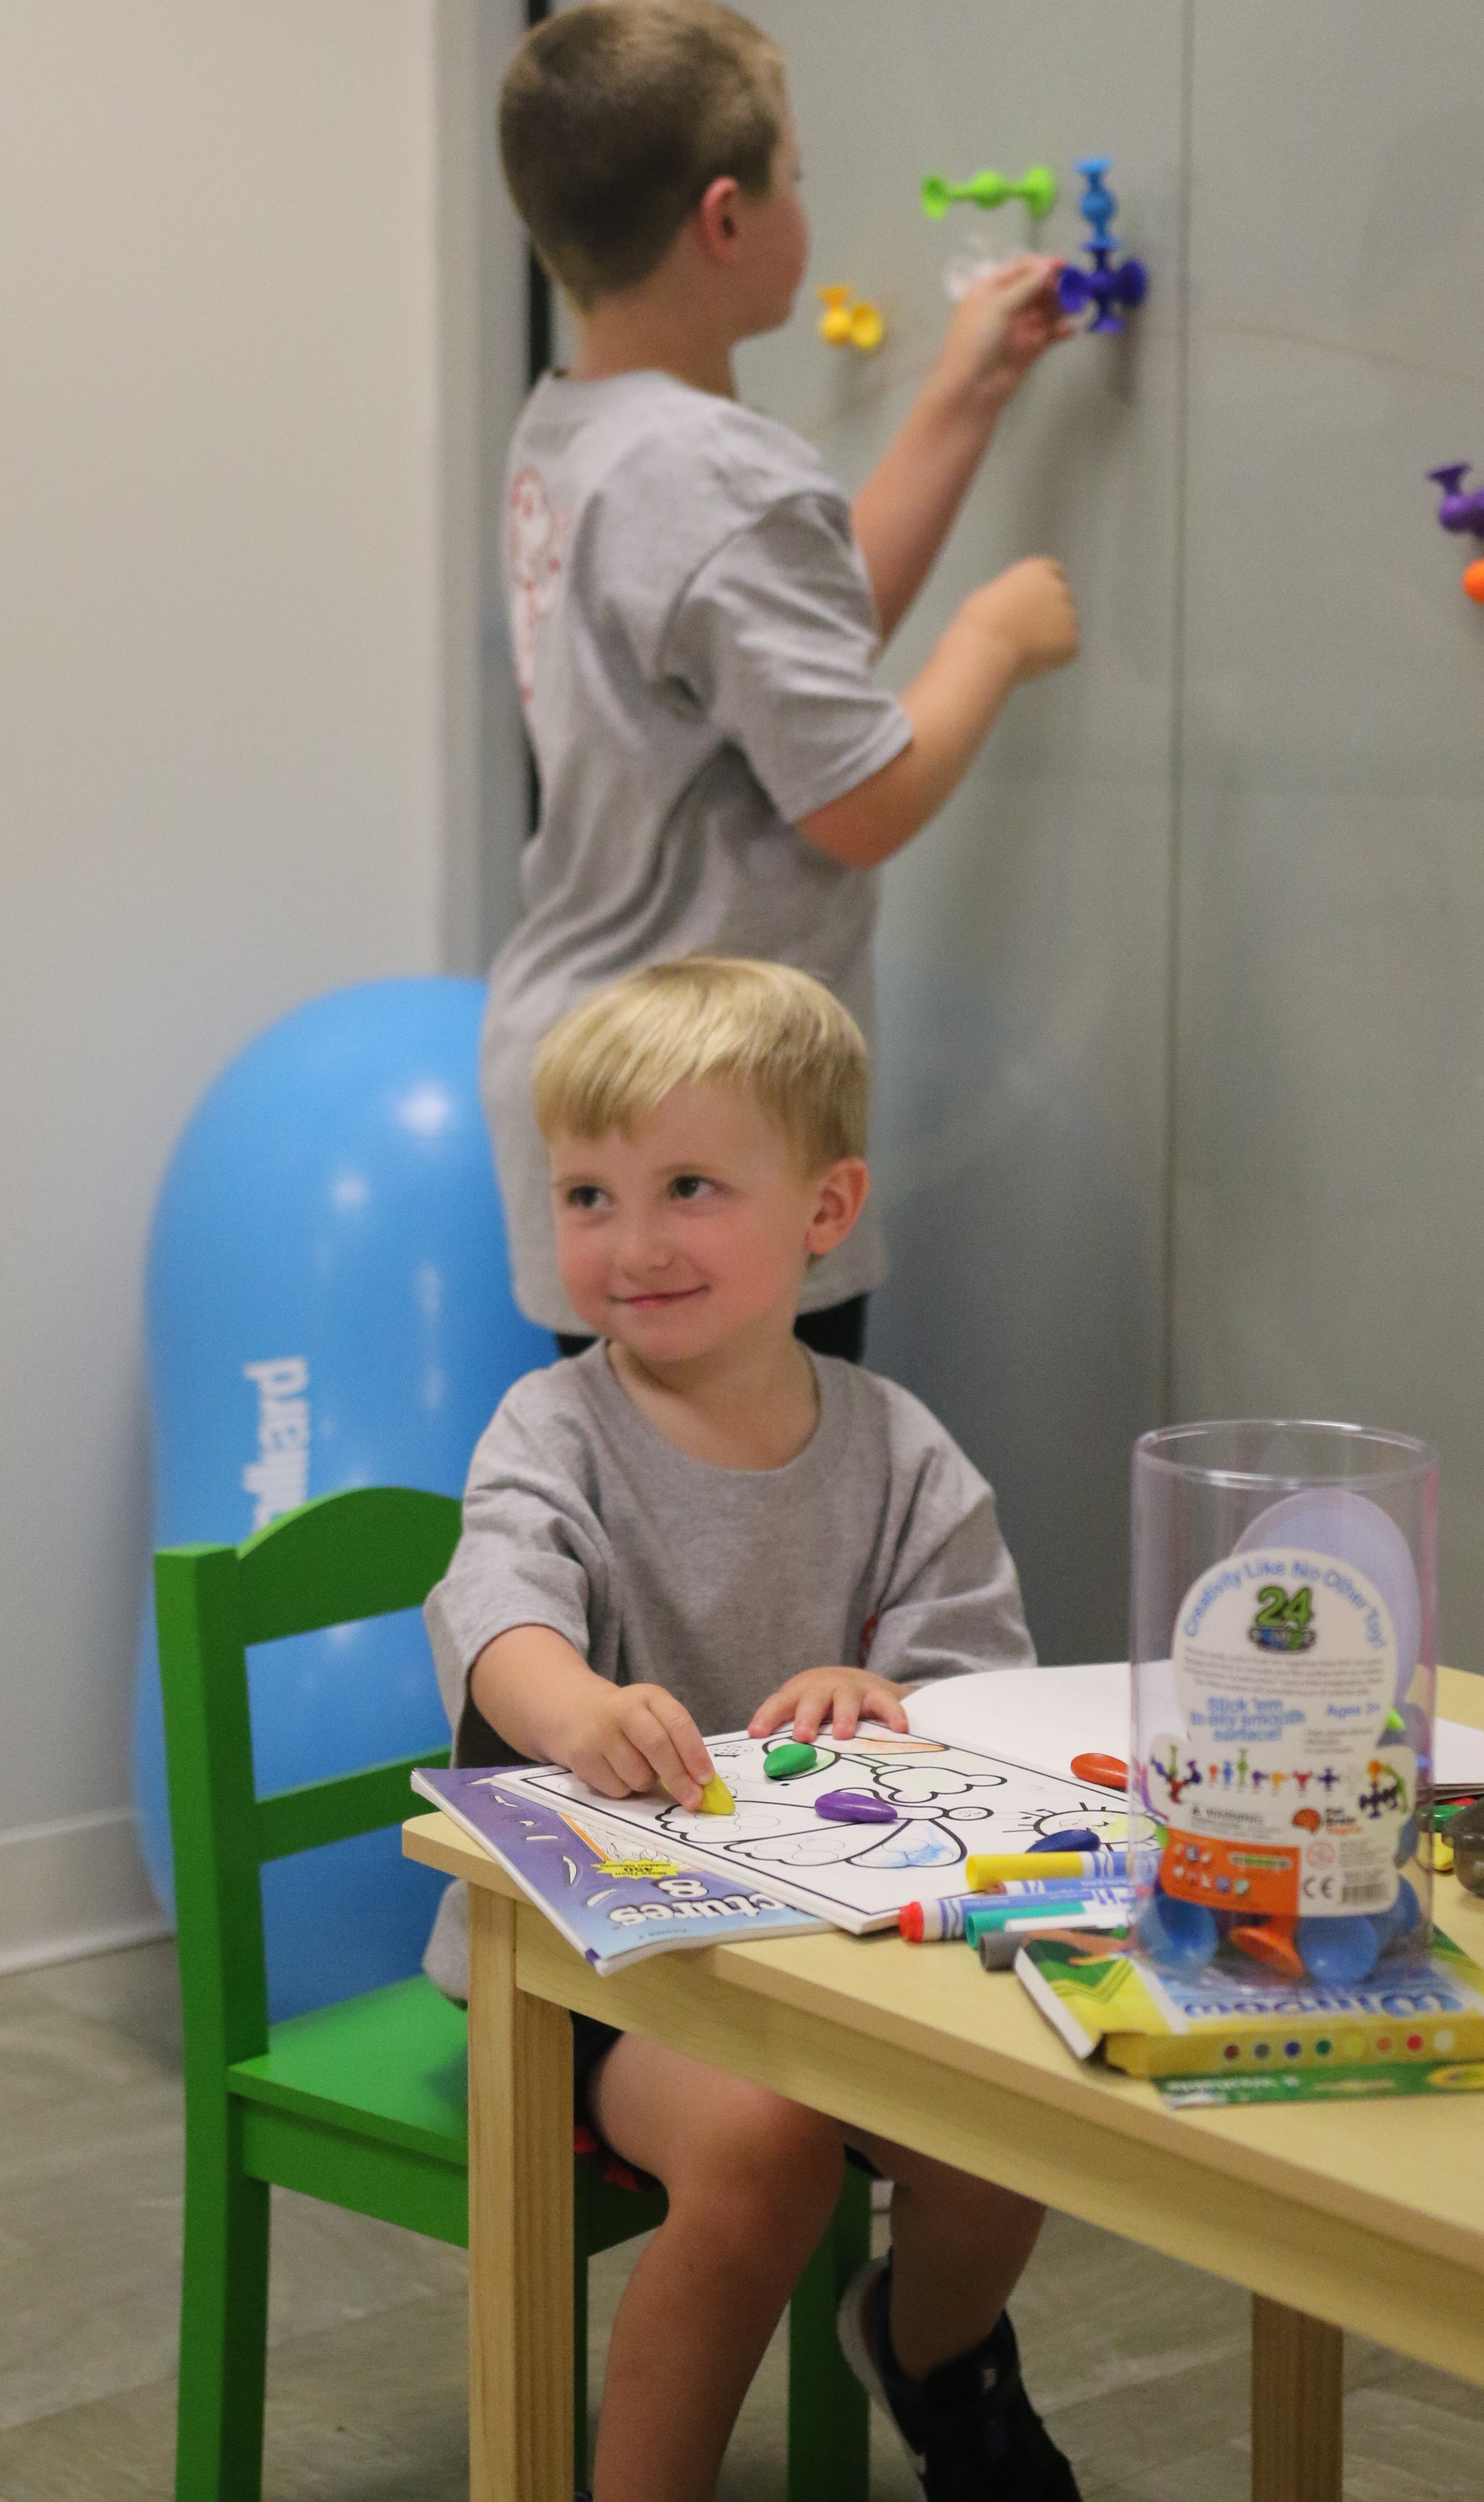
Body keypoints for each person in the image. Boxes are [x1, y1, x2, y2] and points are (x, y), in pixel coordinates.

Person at [423, 957, 1079, 2502]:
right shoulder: (554, 1430)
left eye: (690, 1187)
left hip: (841, 1945)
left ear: (826, 1211)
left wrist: (892, 1701)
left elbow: (978, 1689)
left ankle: (938, 2358)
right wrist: (572, 1705)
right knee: (767, 2143)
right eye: (587, 1196)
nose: (631, 1244)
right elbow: (494, 1611)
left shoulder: (900, 1448)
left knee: (1020, 2114)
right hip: (590, 1962)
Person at [486, 0, 1079, 1359]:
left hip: (600, 1094)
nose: (805, 201)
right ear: (727, 218)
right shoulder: (713, 480)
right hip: (705, 1136)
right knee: (748, 1539)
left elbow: (790, 654)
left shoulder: (581, 433)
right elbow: (855, 796)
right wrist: (990, 644)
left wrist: (962, 399)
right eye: (795, 175)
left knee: (655, 1520)